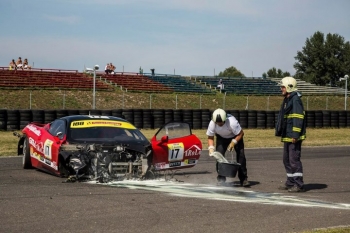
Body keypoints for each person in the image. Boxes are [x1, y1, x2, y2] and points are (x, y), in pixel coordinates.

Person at [275, 76, 306, 193]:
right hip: (287, 134)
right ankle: (290, 182)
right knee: (286, 160)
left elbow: (298, 118)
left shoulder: (295, 100)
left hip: (293, 136)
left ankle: (299, 184)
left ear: (289, 87)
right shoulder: (287, 99)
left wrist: (295, 135)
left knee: (294, 160)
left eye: (283, 87)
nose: (281, 89)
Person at [206, 108, 250, 186]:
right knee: (219, 156)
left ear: (225, 119)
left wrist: (233, 142)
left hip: (235, 137)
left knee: (241, 156)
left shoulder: (232, 122)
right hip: (221, 138)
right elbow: (210, 137)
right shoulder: (212, 123)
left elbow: (241, 133)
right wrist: (211, 148)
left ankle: (243, 179)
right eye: (217, 122)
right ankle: (221, 178)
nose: (219, 123)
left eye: (221, 122)